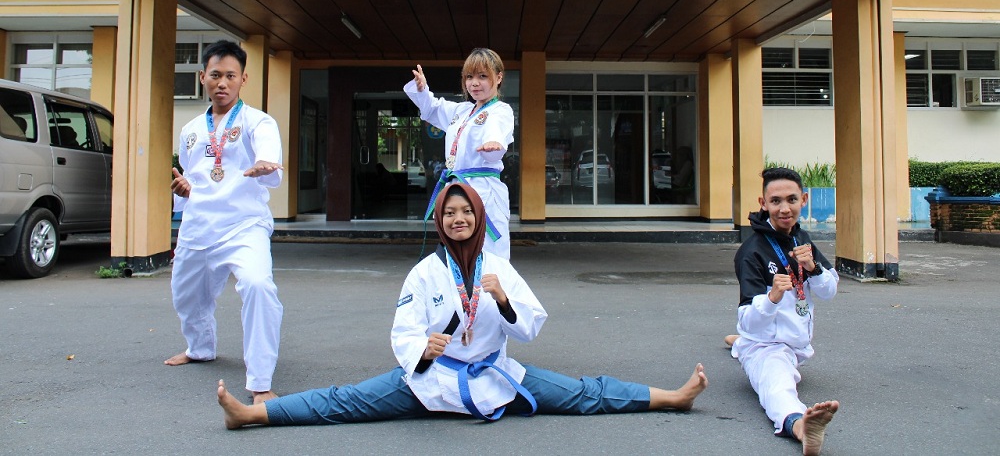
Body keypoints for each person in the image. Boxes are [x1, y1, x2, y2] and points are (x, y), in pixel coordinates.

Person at [216, 182, 708, 428]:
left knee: (582, 393)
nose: (457, 219)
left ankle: (670, 396)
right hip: (430, 380)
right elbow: (402, 329)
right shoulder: (425, 271)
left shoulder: (499, 267)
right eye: (448, 213)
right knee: (346, 401)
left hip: (495, 374)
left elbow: (532, 323)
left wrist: (502, 299)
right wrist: (423, 349)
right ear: (439, 220)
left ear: (478, 217)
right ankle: (253, 415)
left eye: (465, 211)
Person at [166, 40, 285, 405]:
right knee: (187, 296)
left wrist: (265, 164)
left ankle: (260, 381)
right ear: (203, 77)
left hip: (243, 226)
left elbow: (269, 158)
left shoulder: (258, 121)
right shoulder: (189, 130)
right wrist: (183, 191)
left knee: (258, 286)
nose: (222, 83)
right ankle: (199, 348)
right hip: (199, 226)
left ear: (243, 79)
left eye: (230, 76)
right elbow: (192, 176)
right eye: (215, 75)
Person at [729, 167, 840, 456]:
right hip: (767, 346)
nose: (784, 208)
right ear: (763, 203)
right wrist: (773, 297)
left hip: (797, 345)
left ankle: (736, 344)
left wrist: (813, 268)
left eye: (791, 199)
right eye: (775, 201)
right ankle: (801, 426)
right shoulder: (751, 252)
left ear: (803, 199)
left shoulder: (801, 238)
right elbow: (749, 322)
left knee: (743, 342)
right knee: (776, 385)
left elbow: (829, 291)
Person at [404, 48, 514, 259]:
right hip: (457, 189)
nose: (474, 83)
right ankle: (461, 291)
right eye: (469, 77)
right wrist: (422, 90)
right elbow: (433, 109)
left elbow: (496, 133)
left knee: (489, 251)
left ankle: (491, 292)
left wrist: (493, 144)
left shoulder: (501, 110)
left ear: (498, 77)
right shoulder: (462, 111)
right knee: (457, 249)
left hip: (485, 190)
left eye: (483, 76)